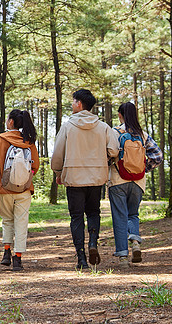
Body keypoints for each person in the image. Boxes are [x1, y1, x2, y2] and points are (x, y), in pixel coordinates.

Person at [51, 89, 119, 269]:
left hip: (74, 177)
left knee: (76, 217)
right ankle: (93, 244)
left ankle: (81, 257)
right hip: (96, 177)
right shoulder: (103, 127)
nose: (72, 104)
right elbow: (114, 150)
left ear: (79, 103)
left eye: (73, 101)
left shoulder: (67, 126)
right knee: (93, 212)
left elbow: (58, 153)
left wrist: (58, 172)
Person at [108, 101, 163, 266]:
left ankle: (123, 256)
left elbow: (108, 155)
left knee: (120, 217)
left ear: (120, 115)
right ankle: (135, 241)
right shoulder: (143, 135)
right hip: (138, 182)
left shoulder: (114, 132)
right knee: (133, 214)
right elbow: (158, 156)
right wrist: (143, 169)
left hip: (118, 181)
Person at [0, 109, 39, 271]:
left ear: (10, 122)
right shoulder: (29, 141)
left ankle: (6, 253)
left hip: (4, 188)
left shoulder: (0, 140)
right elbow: (34, 166)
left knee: (7, 220)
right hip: (24, 189)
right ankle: (18, 258)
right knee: (21, 222)